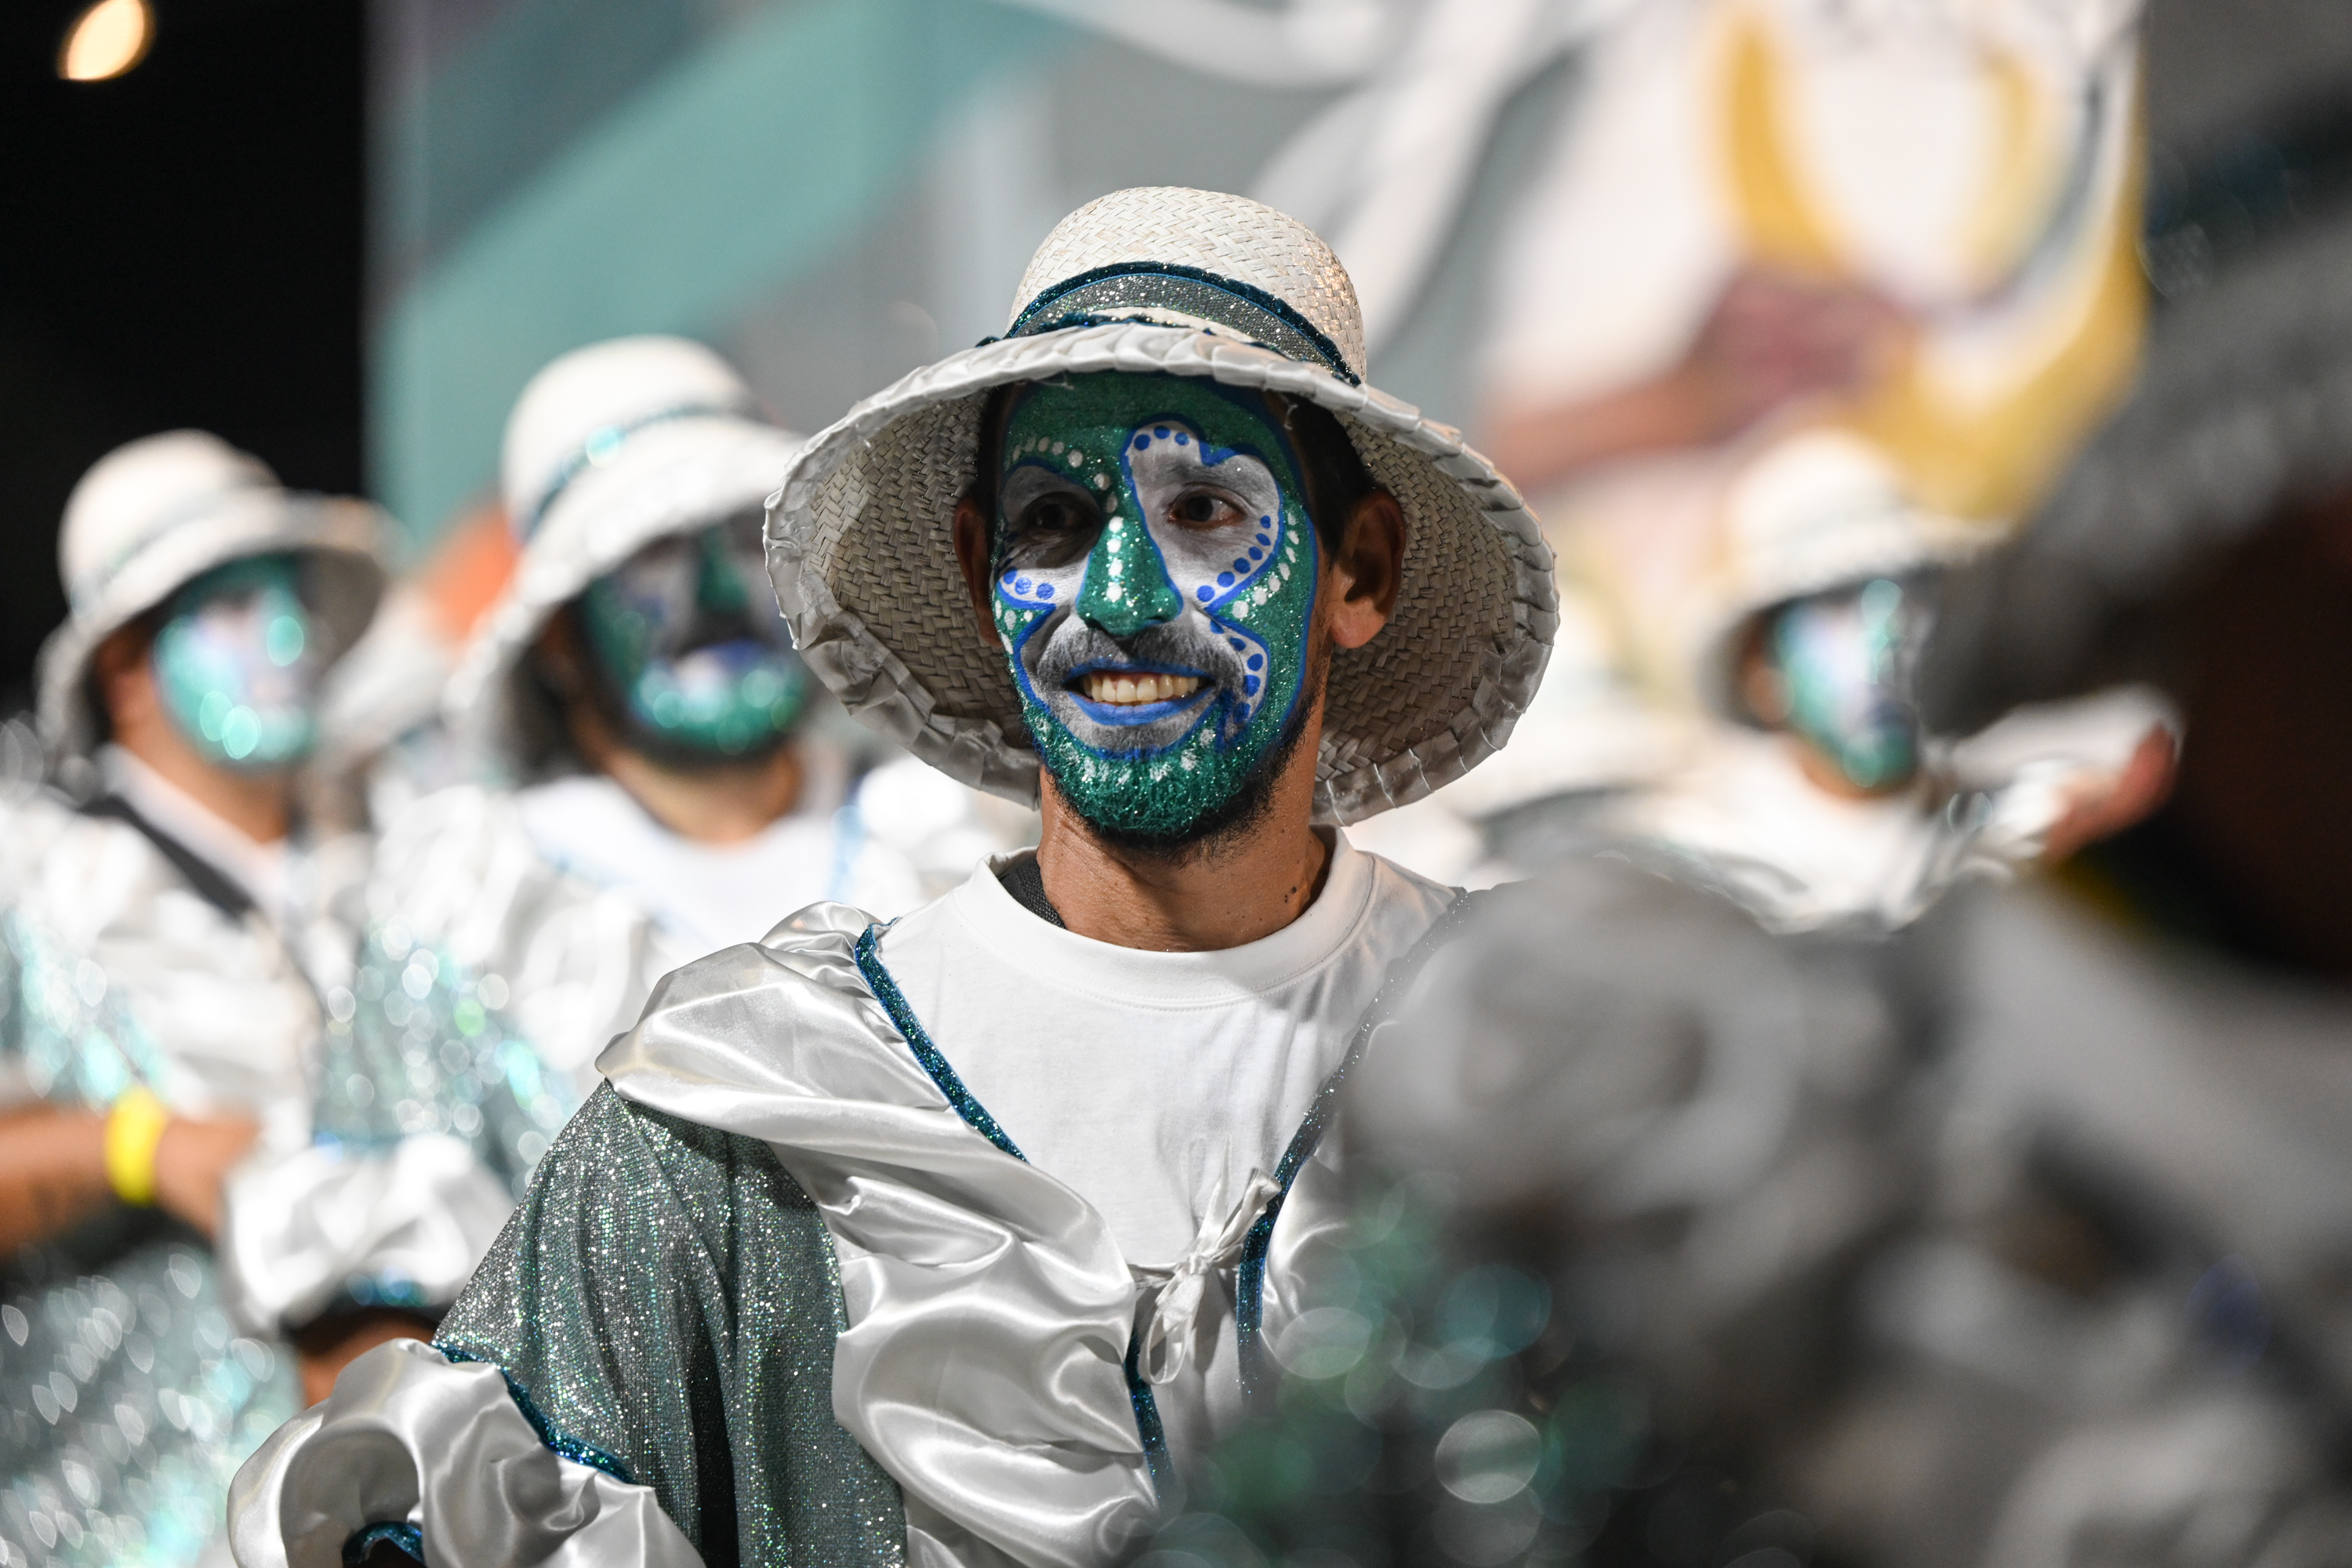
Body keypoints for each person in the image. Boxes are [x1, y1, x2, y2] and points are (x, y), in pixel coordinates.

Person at [227, 185, 1555, 1568]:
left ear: (1359, 570)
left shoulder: (1527, 1058)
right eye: (1056, 520)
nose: (1119, 598)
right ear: (983, 571)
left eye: (1207, 510)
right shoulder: (752, 1105)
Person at [220, 336, 936, 1354]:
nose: (714, 594)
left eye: (744, 537)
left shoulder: (942, 831)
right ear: (557, 633)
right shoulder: (467, 898)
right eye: (652, 553)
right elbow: (363, 1333)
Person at [0, 432, 388, 1568]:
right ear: (124, 669)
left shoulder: (416, 855)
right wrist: (139, 1148)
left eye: (291, 598)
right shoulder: (31, 885)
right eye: (229, 606)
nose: (285, 639)